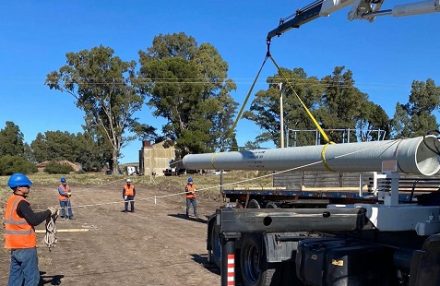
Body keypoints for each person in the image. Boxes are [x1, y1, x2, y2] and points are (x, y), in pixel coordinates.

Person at [3, 173, 58, 286]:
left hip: (14, 246)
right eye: (27, 186)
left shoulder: (11, 200)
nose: (29, 187)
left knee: (15, 276)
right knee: (32, 278)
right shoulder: (21, 203)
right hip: (25, 246)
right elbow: (34, 220)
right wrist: (49, 212)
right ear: (19, 187)